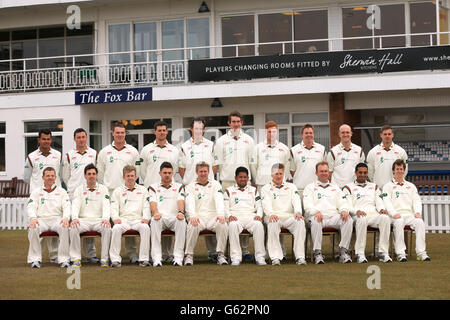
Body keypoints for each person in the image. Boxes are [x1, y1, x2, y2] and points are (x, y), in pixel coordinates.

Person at [213, 111, 256, 261]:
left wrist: (254, 181)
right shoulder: (221, 141)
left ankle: (244, 251)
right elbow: (216, 163)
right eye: (233, 121)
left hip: (246, 182)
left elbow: (252, 162)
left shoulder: (249, 140)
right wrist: (214, 182)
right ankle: (224, 251)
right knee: (228, 217)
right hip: (227, 182)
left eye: (238, 121)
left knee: (245, 214)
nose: (236, 124)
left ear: (242, 123)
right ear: (229, 123)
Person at [97, 121, 141, 264]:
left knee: (130, 222)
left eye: (122, 133)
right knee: (110, 226)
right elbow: (100, 174)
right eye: (117, 132)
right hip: (110, 193)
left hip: (128, 192)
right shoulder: (104, 152)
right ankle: (109, 255)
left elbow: (137, 172)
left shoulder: (133, 151)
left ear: (125, 134)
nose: (120, 135)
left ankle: (133, 254)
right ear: (113, 133)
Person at [140, 120, 179, 262]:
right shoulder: (146, 149)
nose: (162, 132)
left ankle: (168, 254)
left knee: (168, 217)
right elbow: (142, 171)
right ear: (154, 132)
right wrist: (150, 183)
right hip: (153, 190)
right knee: (154, 221)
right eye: (159, 130)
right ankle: (154, 254)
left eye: (164, 130)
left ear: (167, 132)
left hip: (169, 190)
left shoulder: (174, 150)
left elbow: (174, 169)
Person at [178, 118, 217, 261]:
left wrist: (207, 180)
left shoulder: (211, 145)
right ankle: (187, 253)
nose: (198, 131)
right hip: (191, 188)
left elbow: (215, 166)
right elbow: (182, 169)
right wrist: (190, 182)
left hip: (208, 187)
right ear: (191, 129)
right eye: (196, 129)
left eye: (201, 129)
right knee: (192, 220)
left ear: (204, 130)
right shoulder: (184, 146)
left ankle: (213, 252)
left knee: (210, 215)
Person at [303, 161, 353, 264]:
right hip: (317, 217)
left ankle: (343, 252)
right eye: (321, 171)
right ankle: (317, 253)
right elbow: (307, 205)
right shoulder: (309, 187)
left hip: (332, 217)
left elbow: (342, 202)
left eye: (326, 171)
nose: (324, 173)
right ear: (316, 173)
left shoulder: (335, 187)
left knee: (348, 219)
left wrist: (344, 210)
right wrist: (315, 212)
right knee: (316, 220)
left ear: (329, 173)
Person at [24, 129, 62, 264]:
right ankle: (36, 257)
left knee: (55, 226)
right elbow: (26, 178)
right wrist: (37, 189)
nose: (46, 141)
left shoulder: (58, 155)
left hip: (55, 195)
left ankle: (54, 256)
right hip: (39, 196)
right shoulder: (32, 156)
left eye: (48, 139)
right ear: (39, 140)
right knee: (36, 228)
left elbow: (61, 174)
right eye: (44, 139)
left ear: (51, 140)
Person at [342, 163, 392, 263]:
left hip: (373, 214)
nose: (363, 175)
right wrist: (356, 211)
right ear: (356, 173)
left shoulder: (374, 186)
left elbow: (379, 201)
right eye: (360, 172)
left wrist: (381, 209)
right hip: (357, 215)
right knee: (362, 219)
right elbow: (347, 205)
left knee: (385, 218)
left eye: (365, 173)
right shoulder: (348, 187)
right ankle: (360, 254)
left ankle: (383, 253)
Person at [381, 159, 430, 262]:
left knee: (419, 222)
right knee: (399, 222)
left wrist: (417, 212)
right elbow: (387, 202)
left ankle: (421, 253)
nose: (399, 171)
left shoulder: (411, 186)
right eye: (397, 169)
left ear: (404, 170)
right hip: (395, 216)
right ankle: (401, 253)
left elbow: (416, 201)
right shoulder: (387, 186)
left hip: (409, 215)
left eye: (401, 169)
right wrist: (394, 214)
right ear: (393, 171)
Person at [62, 128, 99, 264]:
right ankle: (74, 255)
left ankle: (90, 254)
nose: (81, 139)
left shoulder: (94, 153)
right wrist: (72, 189)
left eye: (83, 137)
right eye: (78, 137)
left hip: (90, 192)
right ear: (74, 139)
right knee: (74, 225)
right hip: (73, 194)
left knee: (89, 221)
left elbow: (96, 172)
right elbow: (65, 176)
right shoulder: (69, 155)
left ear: (86, 138)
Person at [261, 163, 307, 265]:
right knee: (273, 222)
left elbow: (296, 200)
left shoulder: (291, 187)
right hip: (273, 216)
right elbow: (266, 204)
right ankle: (275, 257)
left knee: (300, 222)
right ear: (272, 175)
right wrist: (271, 214)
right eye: (276, 174)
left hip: (289, 216)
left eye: (280, 173)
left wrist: (298, 212)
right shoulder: (265, 188)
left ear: (283, 174)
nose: (278, 176)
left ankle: (300, 257)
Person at [184, 162, 228, 266]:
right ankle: (189, 255)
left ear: (208, 172)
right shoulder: (190, 186)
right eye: (201, 171)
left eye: (205, 171)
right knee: (192, 225)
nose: (203, 174)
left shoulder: (216, 184)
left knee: (223, 224)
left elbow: (219, 200)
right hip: (199, 217)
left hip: (213, 217)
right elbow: (189, 203)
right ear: (196, 172)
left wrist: (221, 215)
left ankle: (220, 254)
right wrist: (193, 216)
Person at [69, 164, 112, 268]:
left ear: (97, 175)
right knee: (73, 227)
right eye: (89, 174)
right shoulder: (79, 189)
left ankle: (104, 259)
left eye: (93, 174)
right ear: (85, 176)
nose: (91, 176)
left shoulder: (103, 189)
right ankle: (76, 259)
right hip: (83, 220)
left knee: (107, 227)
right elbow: (75, 205)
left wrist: (106, 219)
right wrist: (74, 218)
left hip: (98, 220)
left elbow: (106, 205)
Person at [27, 167, 70, 268]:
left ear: (55, 177)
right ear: (43, 177)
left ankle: (63, 259)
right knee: (33, 228)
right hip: (41, 220)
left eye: (52, 176)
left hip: (57, 219)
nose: (50, 178)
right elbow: (31, 206)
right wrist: (33, 218)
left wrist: (66, 218)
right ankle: (35, 259)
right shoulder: (36, 192)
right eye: (48, 176)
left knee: (64, 227)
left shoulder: (62, 191)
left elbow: (67, 206)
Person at [109, 165, 151, 267]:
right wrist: (115, 218)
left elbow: (146, 206)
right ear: (123, 177)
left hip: (138, 220)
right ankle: (115, 260)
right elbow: (113, 207)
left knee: (145, 228)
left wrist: (146, 218)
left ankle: (144, 259)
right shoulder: (117, 191)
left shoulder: (143, 190)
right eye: (128, 176)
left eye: (132, 175)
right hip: (124, 220)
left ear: (136, 176)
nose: (130, 178)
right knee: (116, 228)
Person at [224, 167, 266, 266]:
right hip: (236, 217)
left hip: (250, 216)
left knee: (258, 225)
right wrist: (229, 216)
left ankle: (260, 257)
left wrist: (259, 215)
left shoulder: (254, 190)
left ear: (248, 178)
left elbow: (259, 206)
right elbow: (225, 207)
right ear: (235, 178)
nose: (243, 179)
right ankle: (236, 257)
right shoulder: (228, 190)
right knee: (233, 225)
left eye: (245, 177)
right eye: (240, 177)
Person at [149, 162, 186, 267]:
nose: (167, 175)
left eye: (169, 173)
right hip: (160, 217)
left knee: (182, 221)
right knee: (154, 221)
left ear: (173, 173)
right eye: (164, 173)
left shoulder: (179, 186)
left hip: (174, 217)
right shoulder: (153, 187)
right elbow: (152, 202)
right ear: (160, 173)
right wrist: (155, 212)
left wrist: (180, 212)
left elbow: (180, 201)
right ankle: (156, 258)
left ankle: (178, 258)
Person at [367, 124, 408, 189]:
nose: (387, 136)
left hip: (396, 189)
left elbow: (405, 171)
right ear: (381, 135)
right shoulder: (373, 152)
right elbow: (370, 172)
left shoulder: (401, 151)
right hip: (379, 190)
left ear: (392, 135)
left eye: (389, 134)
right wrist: (376, 184)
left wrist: (398, 183)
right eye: (385, 134)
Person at [290, 124, 326, 194]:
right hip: (300, 188)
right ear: (302, 135)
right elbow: (292, 171)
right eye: (306, 133)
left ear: (313, 134)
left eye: (310, 133)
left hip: (317, 189)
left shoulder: (321, 149)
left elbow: (324, 170)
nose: (308, 135)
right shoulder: (294, 150)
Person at [326, 124, 365, 188]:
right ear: (339, 134)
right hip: (338, 188)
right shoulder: (333, 151)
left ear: (351, 133)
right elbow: (329, 173)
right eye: (343, 132)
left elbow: (362, 171)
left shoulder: (359, 150)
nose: (345, 135)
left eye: (347, 132)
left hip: (354, 188)